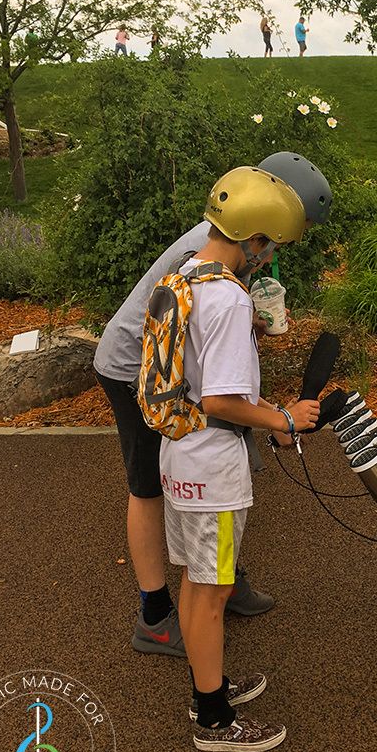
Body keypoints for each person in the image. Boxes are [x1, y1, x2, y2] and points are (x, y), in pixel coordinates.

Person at [93, 152, 333, 660]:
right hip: (133, 365)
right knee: (147, 486)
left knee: (213, 457)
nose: (280, 250)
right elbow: (211, 386)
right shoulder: (205, 257)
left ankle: (223, 575)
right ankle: (155, 614)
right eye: (292, 228)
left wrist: (248, 330)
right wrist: (278, 416)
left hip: (184, 371)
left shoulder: (228, 244)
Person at [163, 166, 319, 752]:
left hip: (180, 456)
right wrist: (284, 418)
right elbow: (222, 397)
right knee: (213, 591)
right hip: (213, 470)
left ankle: (212, 684)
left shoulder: (188, 274)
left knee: (200, 583)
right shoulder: (226, 297)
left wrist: (250, 327)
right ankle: (213, 720)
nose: (267, 257)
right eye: (269, 246)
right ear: (253, 237)